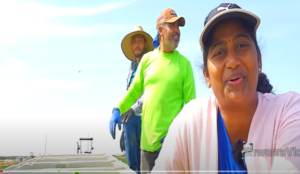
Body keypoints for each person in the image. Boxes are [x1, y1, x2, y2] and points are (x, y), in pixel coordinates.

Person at [153, 3, 300, 173]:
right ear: (206, 75)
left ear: (259, 60)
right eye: (219, 52)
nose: (232, 61)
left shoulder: (289, 111)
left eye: (242, 45)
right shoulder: (188, 124)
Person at [110, 8, 196, 174]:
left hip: (174, 149)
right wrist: (118, 108)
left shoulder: (184, 64)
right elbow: (134, 91)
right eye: (172, 26)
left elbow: (191, 109)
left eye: (178, 27)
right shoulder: (147, 60)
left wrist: (177, 135)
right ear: (161, 30)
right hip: (147, 148)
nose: (177, 31)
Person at [109, 25, 154, 174]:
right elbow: (130, 93)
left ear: (145, 44)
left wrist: (132, 112)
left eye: (140, 40)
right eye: (134, 41)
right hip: (132, 121)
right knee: (132, 168)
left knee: (147, 166)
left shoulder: (151, 63)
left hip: (148, 118)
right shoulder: (132, 66)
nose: (137, 44)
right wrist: (123, 115)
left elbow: (150, 92)